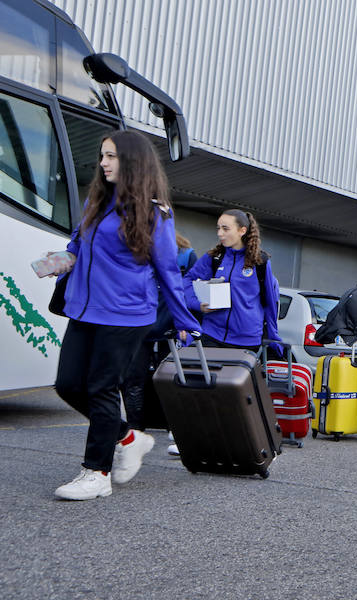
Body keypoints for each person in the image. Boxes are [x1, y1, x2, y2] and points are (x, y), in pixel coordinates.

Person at [51, 130, 201, 501]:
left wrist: (184, 321)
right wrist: (59, 261)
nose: (103, 163)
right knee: (69, 385)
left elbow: (168, 271)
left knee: (101, 387)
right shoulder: (96, 201)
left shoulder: (154, 212)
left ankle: (96, 473)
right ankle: (128, 437)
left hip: (126, 314)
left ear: (132, 161)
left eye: (111, 156)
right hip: (85, 308)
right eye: (102, 156)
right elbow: (75, 244)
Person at [120, 230, 198, 434]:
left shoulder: (185, 254)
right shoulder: (135, 251)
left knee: (171, 378)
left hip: (169, 325)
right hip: (139, 323)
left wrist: (185, 323)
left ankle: (173, 424)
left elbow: (187, 291)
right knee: (132, 377)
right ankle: (134, 426)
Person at [183, 209, 283, 354]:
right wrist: (197, 304)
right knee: (203, 376)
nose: (219, 233)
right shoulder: (214, 257)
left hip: (247, 340)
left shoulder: (260, 261)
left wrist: (273, 338)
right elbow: (187, 281)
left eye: (225, 229)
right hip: (212, 333)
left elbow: (270, 302)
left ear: (242, 230)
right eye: (218, 228)